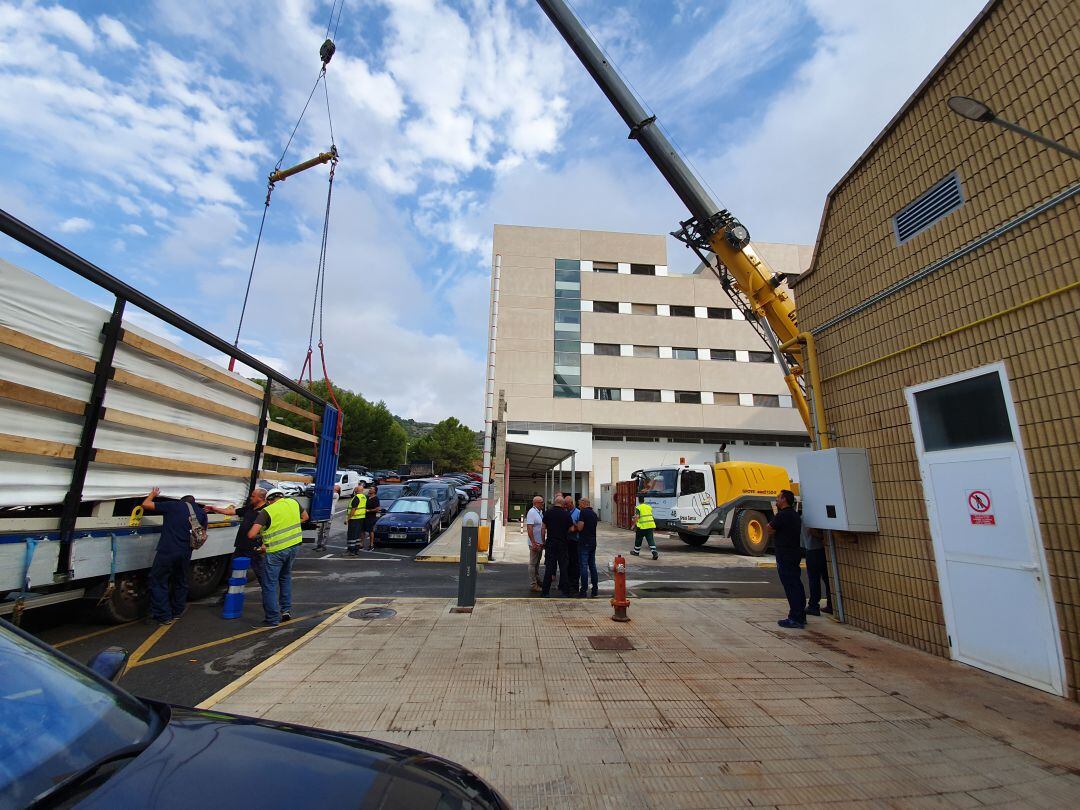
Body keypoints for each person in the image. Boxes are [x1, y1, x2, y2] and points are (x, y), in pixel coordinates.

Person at [141, 488, 208, 626]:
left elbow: (146, 505)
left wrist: (153, 494)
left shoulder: (173, 506)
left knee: (158, 580)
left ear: (181, 500)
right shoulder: (201, 512)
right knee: (180, 580)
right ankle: (177, 611)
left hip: (168, 550)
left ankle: (163, 615)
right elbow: (203, 532)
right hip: (186, 552)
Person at [248, 488, 309, 626]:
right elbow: (305, 518)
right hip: (293, 547)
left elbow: (251, 534)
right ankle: (286, 610)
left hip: (276, 551)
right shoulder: (293, 502)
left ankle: (272, 618)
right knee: (285, 577)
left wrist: (264, 534)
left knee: (269, 584)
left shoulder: (267, 511)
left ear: (268, 500)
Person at [205, 487, 267, 604]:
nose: (251, 498)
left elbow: (269, 529)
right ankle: (228, 596)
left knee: (260, 573)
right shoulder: (250, 508)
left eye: (253, 496)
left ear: (261, 498)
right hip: (241, 545)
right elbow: (232, 512)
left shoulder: (266, 510)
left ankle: (268, 596)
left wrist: (264, 544)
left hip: (254, 547)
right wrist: (214, 509)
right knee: (233, 571)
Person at [766, 489, 805, 629]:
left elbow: (769, 528)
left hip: (785, 554)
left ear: (784, 500)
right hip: (794, 552)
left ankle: (795, 618)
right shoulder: (794, 515)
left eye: (778, 498)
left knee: (790, 585)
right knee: (796, 584)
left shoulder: (782, 516)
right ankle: (800, 615)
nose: (776, 500)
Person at [541, 495, 574, 597]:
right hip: (562, 544)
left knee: (549, 568)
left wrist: (544, 542)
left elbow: (543, 529)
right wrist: (564, 531)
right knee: (563, 568)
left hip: (551, 543)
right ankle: (565, 592)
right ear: (563, 504)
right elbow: (572, 529)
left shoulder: (548, 513)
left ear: (554, 503)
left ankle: (545, 592)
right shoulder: (566, 514)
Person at [801, 514, 833, 616]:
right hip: (819, 550)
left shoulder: (808, 516)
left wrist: (823, 537)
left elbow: (812, 531)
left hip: (813, 550)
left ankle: (813, 605)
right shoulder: (815, 514)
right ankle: (831, 604)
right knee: (826, 578)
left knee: (814, 580)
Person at [576, 497, 600, 597]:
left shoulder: (583, 513)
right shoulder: (594, 514)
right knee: (592, 566)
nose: (579, 506)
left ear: (584, 503)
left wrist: (576, 525)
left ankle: (584, 590)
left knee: (583, 566)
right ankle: (595, 589)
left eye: (579, 503)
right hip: (593, 542)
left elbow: (580, 527)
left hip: (584, 542)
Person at [525, 495, 546, 593]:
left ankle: (537, 581)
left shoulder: (540, 512)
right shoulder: (532, 512)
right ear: (536, 503)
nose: (543, 503)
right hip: (535, 543)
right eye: (541, 502)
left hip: (540, 543)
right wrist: (533, 542)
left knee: (537, 564)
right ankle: (533, 584)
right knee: (532, 564)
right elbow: (529, 528)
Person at [631, 494, 658, 559]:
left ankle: (636, 552)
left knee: (638, 539)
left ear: (638, 500)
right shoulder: (649, 507)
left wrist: (633, 525)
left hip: (642, 527)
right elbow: (649, 515)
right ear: (644, 500)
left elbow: (637, 517)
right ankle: (654, 553)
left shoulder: (638, 507)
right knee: (650, 539)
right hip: (650, 525)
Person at [345, 483, 367, 555]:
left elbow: (353, 509)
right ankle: (356, 549)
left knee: (352, 535)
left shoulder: (356, 498)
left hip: (354, 519)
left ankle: (351, 550)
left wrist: (348, 519)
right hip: (361, 518)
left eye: (355, 488)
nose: (354, 489)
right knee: (357, 535)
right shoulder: (364, 497)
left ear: (357, 490)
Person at [566, 496, 581, 591]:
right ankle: (568, 582)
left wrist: (572, 528)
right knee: (568, 563)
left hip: (575, 541)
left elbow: (580, 527)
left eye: (566, 504)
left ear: (571, 503)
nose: (565, 506)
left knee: (575, 563)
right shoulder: (566, 512)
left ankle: (575, 584)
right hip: (567, 541)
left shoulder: (578, 513)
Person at [362, 484, 382, 551]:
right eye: (370, 488)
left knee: (371, 531)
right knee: (362, 530)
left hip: (371, 517)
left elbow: (377, 509)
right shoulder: (366, 497)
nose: (370, 489)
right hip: (364, 516)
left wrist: (369, 510)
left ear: (374, 491)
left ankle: (371, 545)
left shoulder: (376, 499)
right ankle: (361, 544)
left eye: (371, 489)